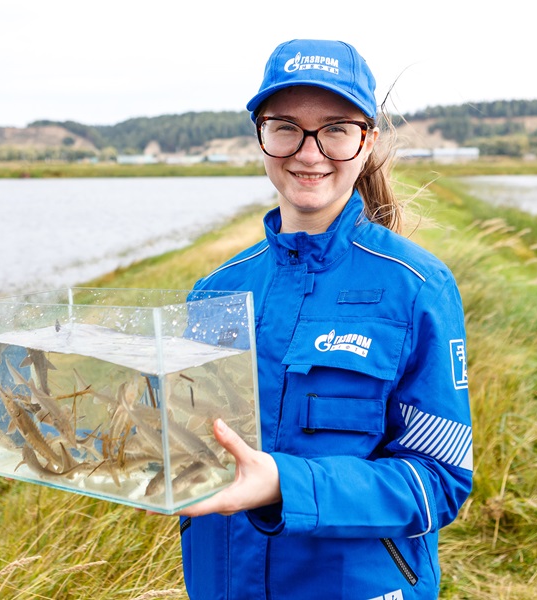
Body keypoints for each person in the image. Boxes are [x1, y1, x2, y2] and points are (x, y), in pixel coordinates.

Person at [171, 39, 474, 599]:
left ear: (366, 142)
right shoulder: (217, 290)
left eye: (335, 129)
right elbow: (191, 447)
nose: (309, 152)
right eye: (285, 126)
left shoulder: (417, 288)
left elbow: (441, 483)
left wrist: (286, 484)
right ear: (260, 137)